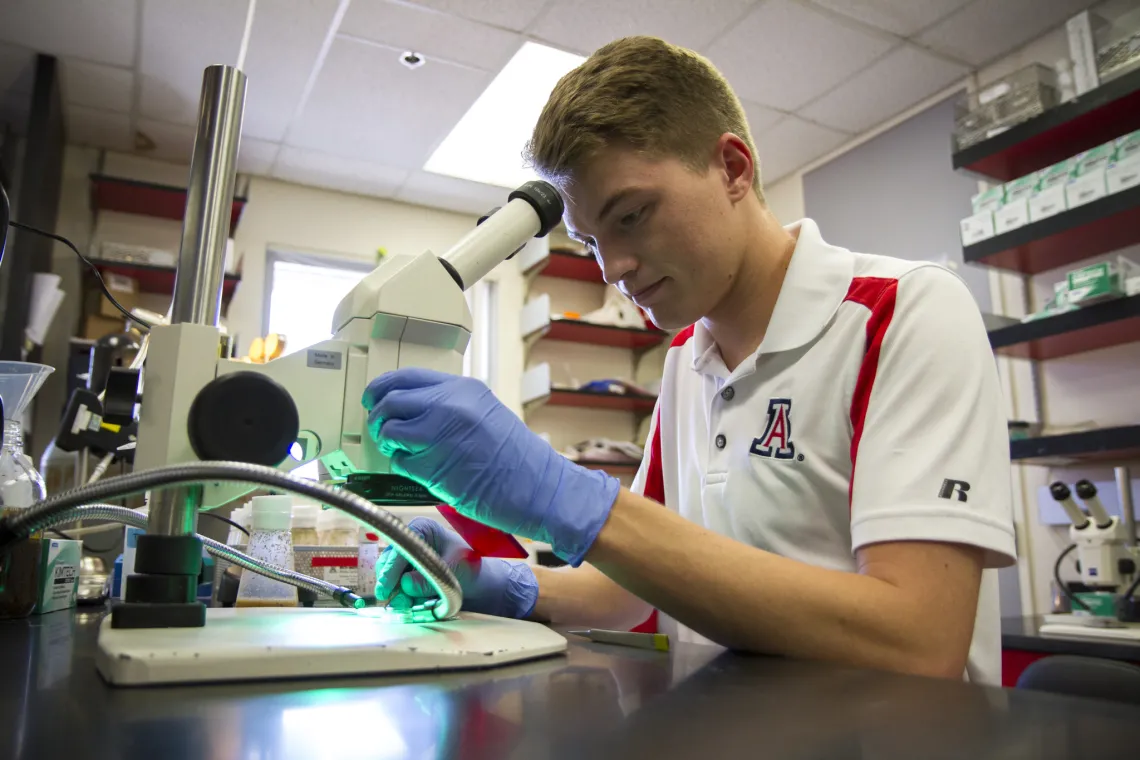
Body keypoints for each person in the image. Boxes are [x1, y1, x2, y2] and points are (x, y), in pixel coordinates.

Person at [368, 36, 1015, 685]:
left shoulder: (905, 313)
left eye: (633, 216)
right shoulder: (686, 358)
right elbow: (631, 589)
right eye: (591, 241)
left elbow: (919, 640)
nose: (613, 269)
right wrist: (492, 580)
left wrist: (571, 501)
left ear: (733, 168)